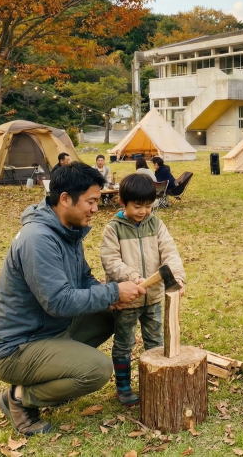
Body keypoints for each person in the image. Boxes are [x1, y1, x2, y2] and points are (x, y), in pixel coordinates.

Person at [0, 163, 147, 436]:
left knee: (109, 316)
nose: (96, 209)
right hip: (15, 348)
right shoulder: (38, 239)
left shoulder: (67, 230)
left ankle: (54, 376)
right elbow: (58, 301)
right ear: (65, 199)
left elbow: (83, 277)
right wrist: (114, 292)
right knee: (97, 369)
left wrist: (109, 299)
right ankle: (19, 397)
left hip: (47, 331)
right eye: (90, 202)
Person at [100, 174, 186, 406]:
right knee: (124, 344)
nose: (143, 211)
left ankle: (154, 382)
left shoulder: (156, 224)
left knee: (155, 342)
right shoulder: (113, 229)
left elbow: (170, 253)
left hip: (154, 297)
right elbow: (111, 261)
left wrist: (177, 277)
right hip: (127, 299)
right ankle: (124, 388)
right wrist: (132, 277)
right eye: (137, 206)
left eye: (148, 206)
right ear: (122, 202)